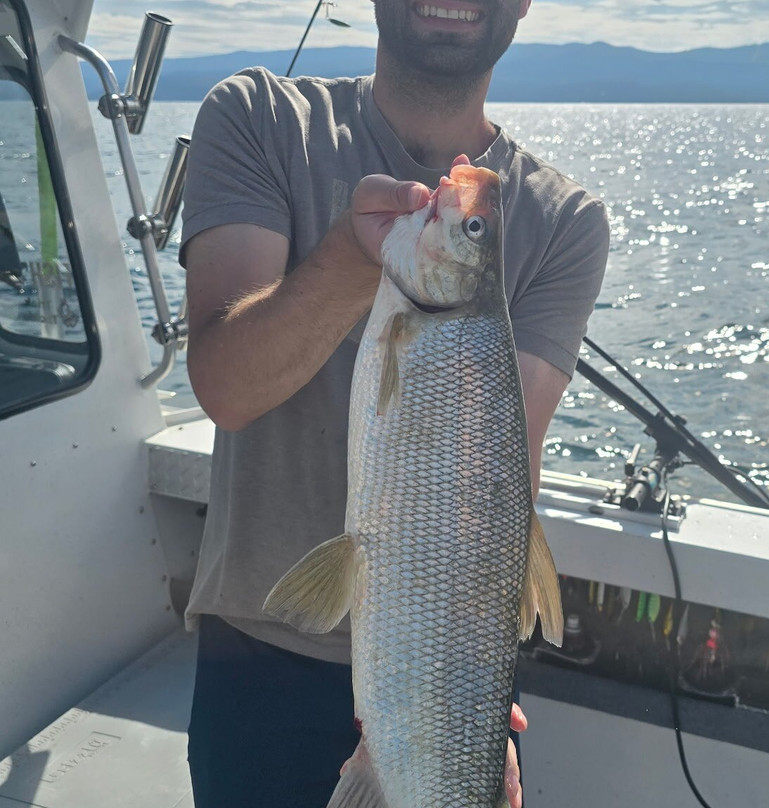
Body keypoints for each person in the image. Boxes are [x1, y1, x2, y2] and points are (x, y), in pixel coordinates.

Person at [179, 0, 609, 805]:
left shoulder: (568, 222)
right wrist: (352, 255)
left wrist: (478, 700)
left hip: (452, 681)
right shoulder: (260, 118)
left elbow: (503, 483)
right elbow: (226, 390)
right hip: (259, 660)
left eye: (475, 232)